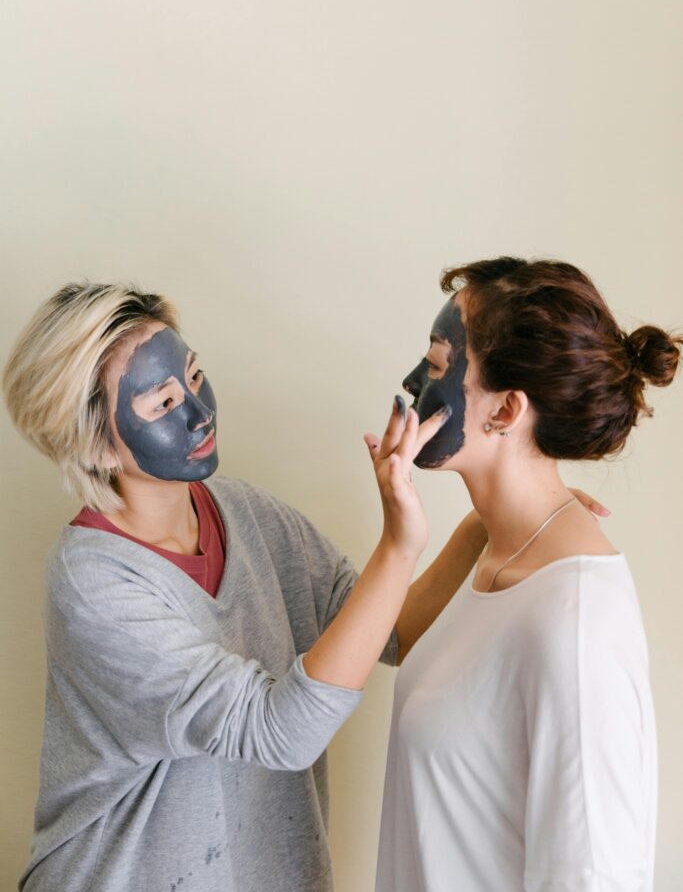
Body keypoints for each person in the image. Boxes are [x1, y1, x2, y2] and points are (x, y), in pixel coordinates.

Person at [2, 280, 605, 892]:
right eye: (162, 403)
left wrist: (487, 522)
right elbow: (279, 730)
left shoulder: (248, 513)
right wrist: (400, 541)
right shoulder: (92, 584)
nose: (199, 410)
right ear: (99, 445)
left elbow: (383, 632)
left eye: (195, 375)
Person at [374, 256, 681, 892]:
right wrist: (453, 531)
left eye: (436, 366)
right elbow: (386, 639)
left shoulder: (574, 620)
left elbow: (598, 879)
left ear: (507, 410)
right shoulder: (494, 556)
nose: (411, 382)